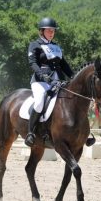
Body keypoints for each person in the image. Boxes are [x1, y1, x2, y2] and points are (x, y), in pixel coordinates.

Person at [25, 17, 74, 147]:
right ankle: (31, 133)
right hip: (40, 81)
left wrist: (73, 76)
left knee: (69, 100)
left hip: (57, 81)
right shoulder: (35, 44)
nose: (52, 33)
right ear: (42, 31)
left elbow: (64, 65)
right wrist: (42, 75)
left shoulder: (56, 47)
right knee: (40, 101)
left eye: (53, 31)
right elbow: (33, 63)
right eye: (49, 30)